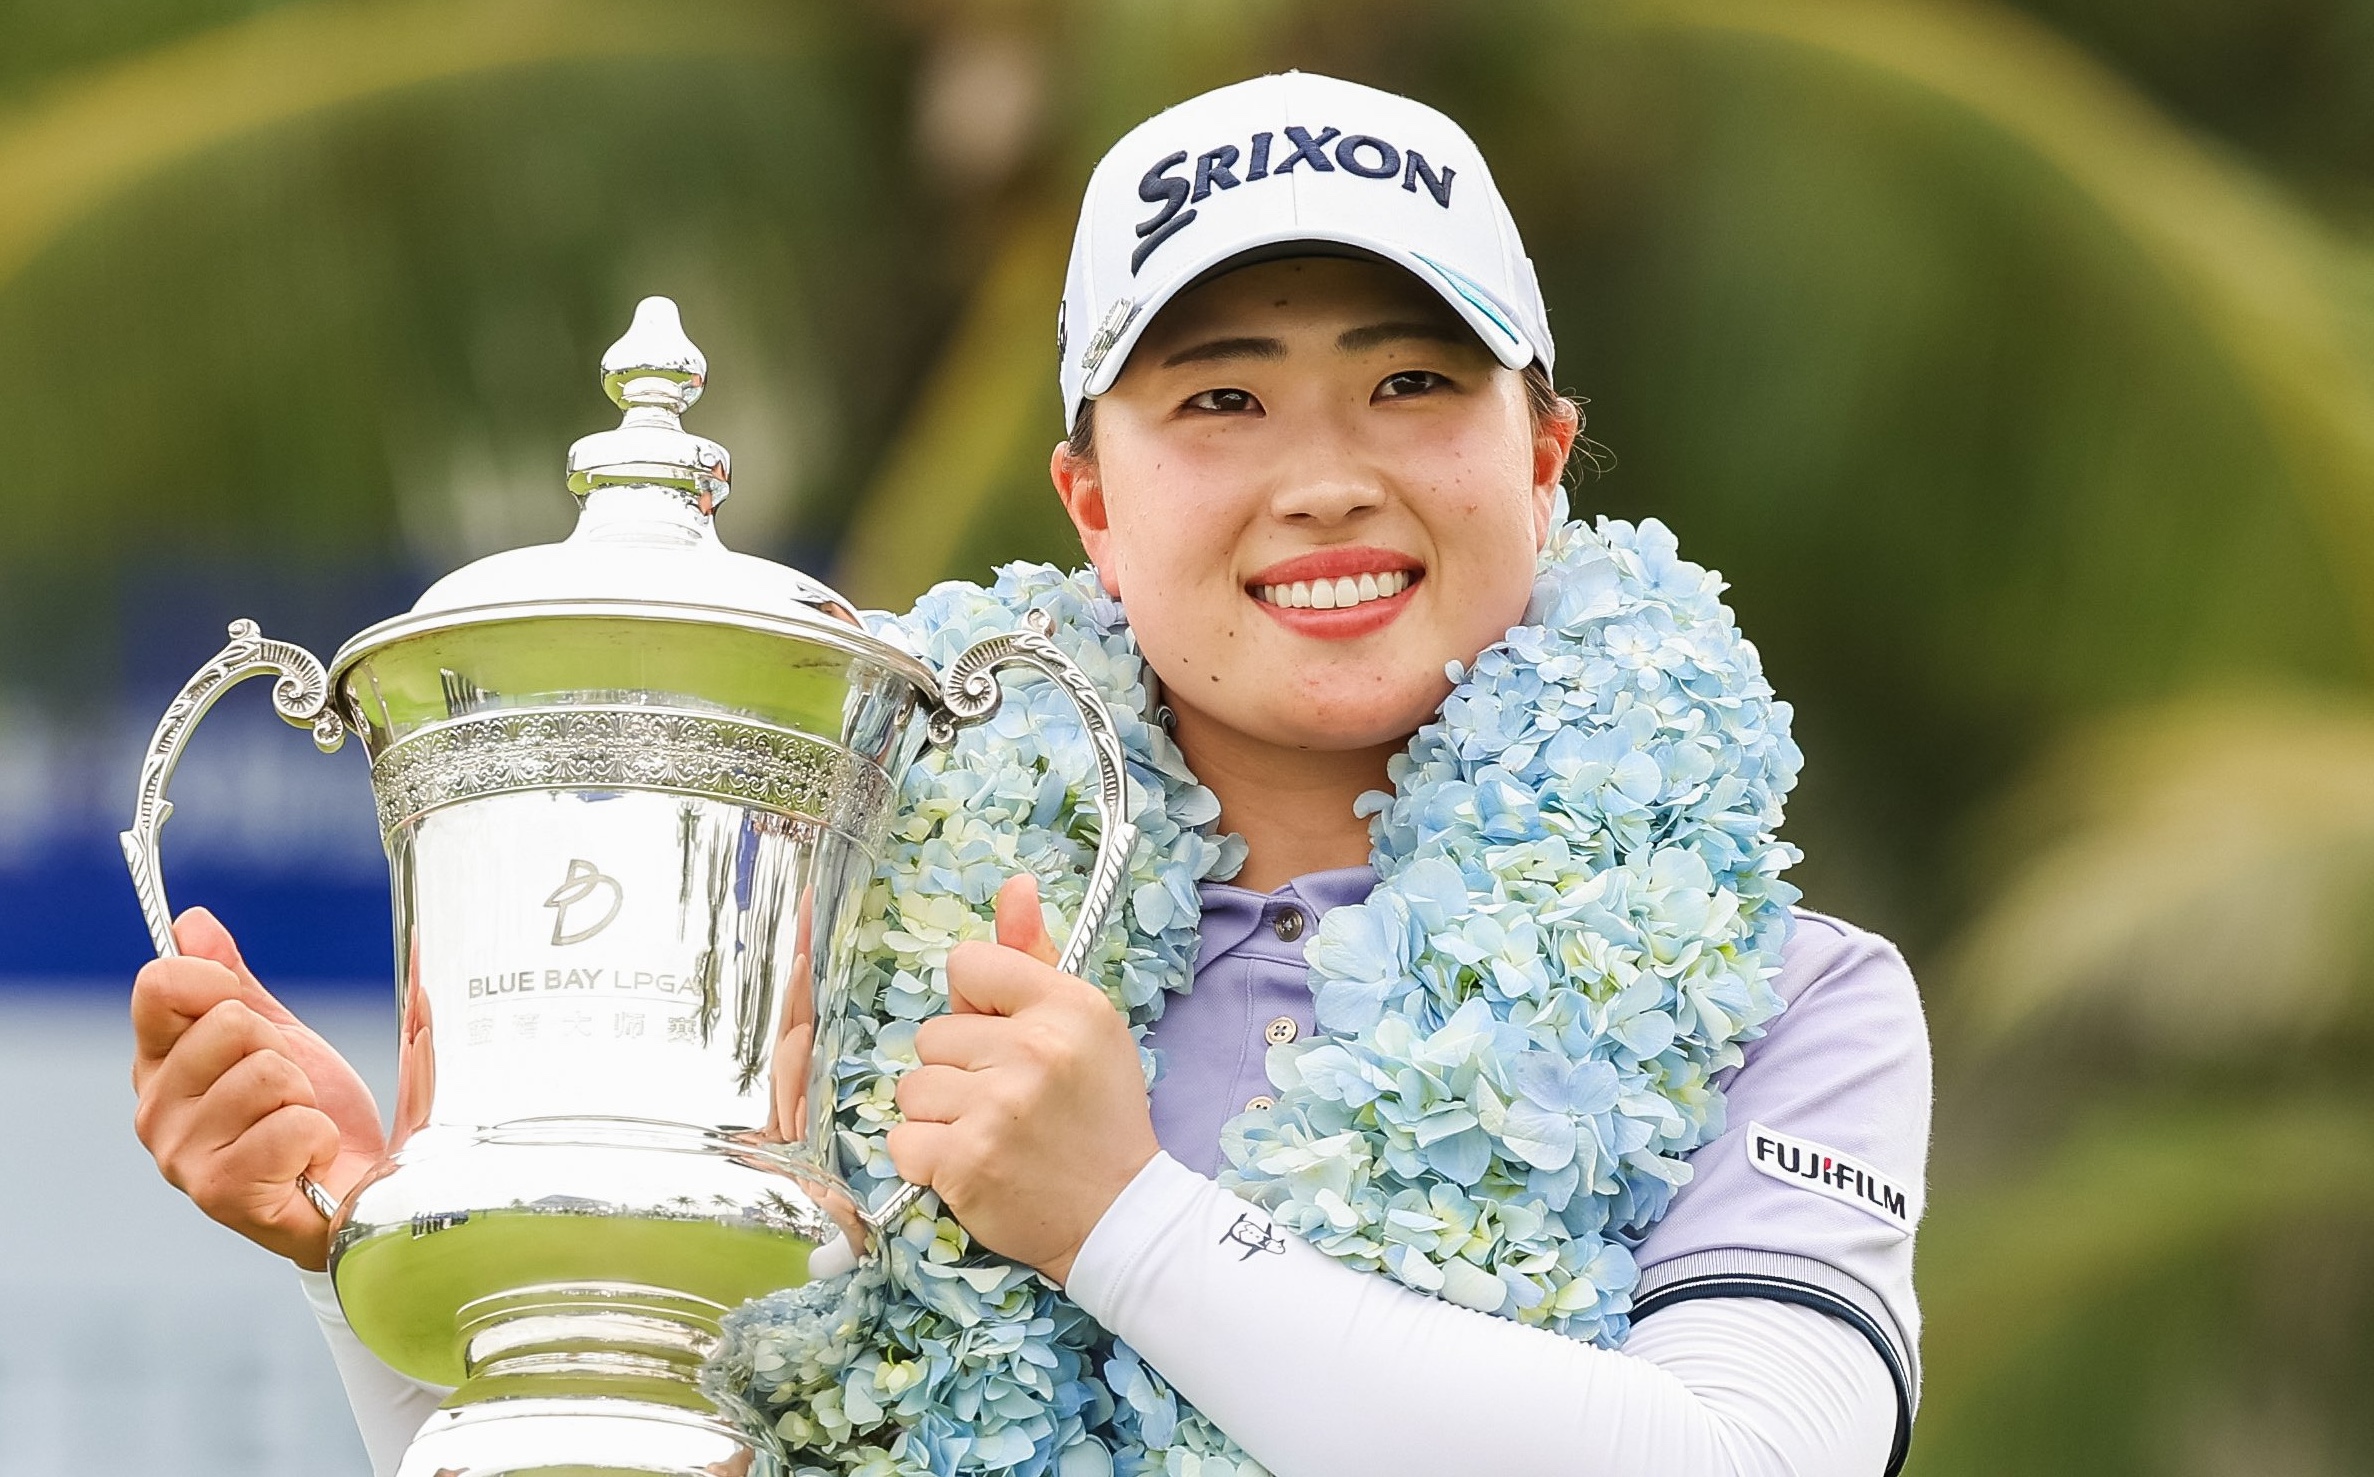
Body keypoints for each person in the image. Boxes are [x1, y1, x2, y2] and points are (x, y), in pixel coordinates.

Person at [131, 71, 1929, 1477]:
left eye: (1409, 385)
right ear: (1089, 500)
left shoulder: (1788, 1000)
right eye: (1220, 400)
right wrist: (388, 1268)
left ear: (1540, 455)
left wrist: (1121, 1222)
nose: (1324, 479)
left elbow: (1751, 1460)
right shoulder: (828, 957)